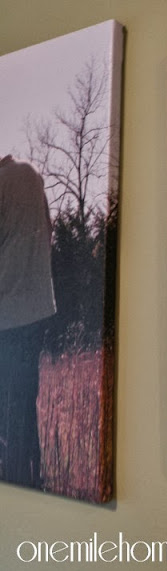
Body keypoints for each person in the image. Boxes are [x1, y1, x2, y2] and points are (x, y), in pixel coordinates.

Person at [0, 154, 56, 488]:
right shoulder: (32, 176)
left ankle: (14, 481)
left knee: (6, 406)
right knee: (24, 398)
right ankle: (32, 478)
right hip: (37, 310)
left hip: (6, 314)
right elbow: (48, 232)